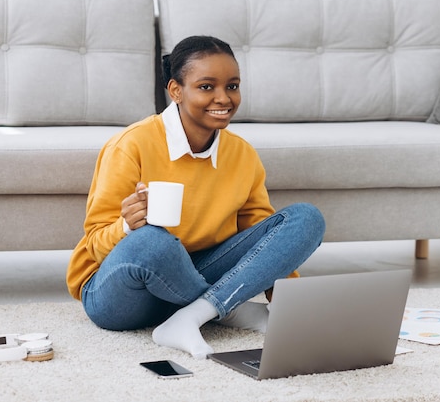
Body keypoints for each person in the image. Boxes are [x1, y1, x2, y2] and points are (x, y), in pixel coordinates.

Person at [66, 35, 325, 359]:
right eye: (206, 87)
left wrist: (289, 307)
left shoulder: (241, 154)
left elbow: (266, 238)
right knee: (152, 241)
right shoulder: (132, 145)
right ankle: (226, 309)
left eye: (232, 86)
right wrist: (127, 228)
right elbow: (95, 242)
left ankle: (193, 314)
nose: (224, 98)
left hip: (198, 270)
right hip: (122, 293)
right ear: (175, 90)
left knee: (305, 218)